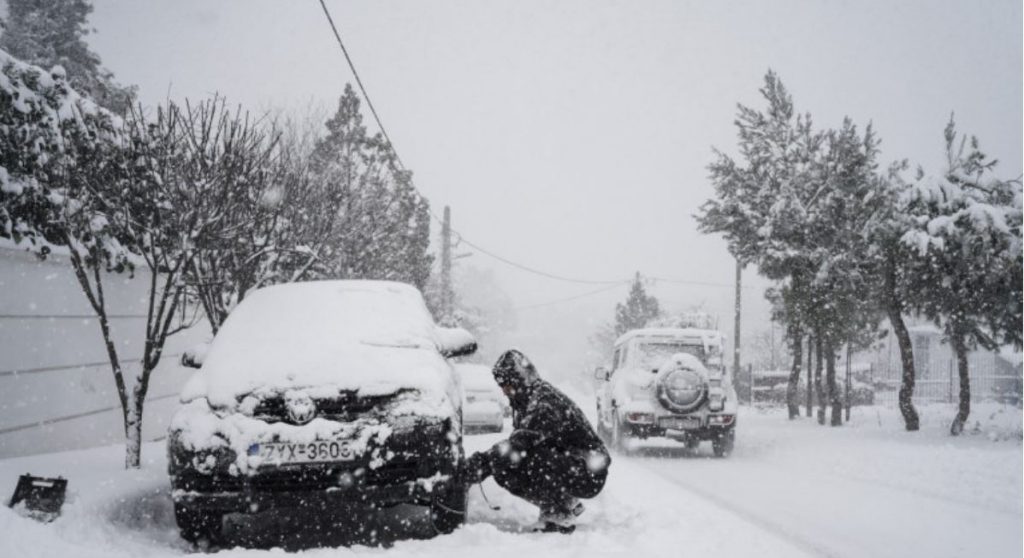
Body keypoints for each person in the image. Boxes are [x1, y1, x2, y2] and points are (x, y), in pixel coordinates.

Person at [463, 349, 611, 533]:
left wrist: (474, 467)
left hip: (588, 470)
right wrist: (486, 465)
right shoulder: (525, 399)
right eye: (500, 384)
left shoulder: (544, 402)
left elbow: (518, 445)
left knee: (532, 457)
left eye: (506, 383)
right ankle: (565, 503)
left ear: (518, 379)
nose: (503, 390)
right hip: (570, 463)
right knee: (505, 467)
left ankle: (559, 513)